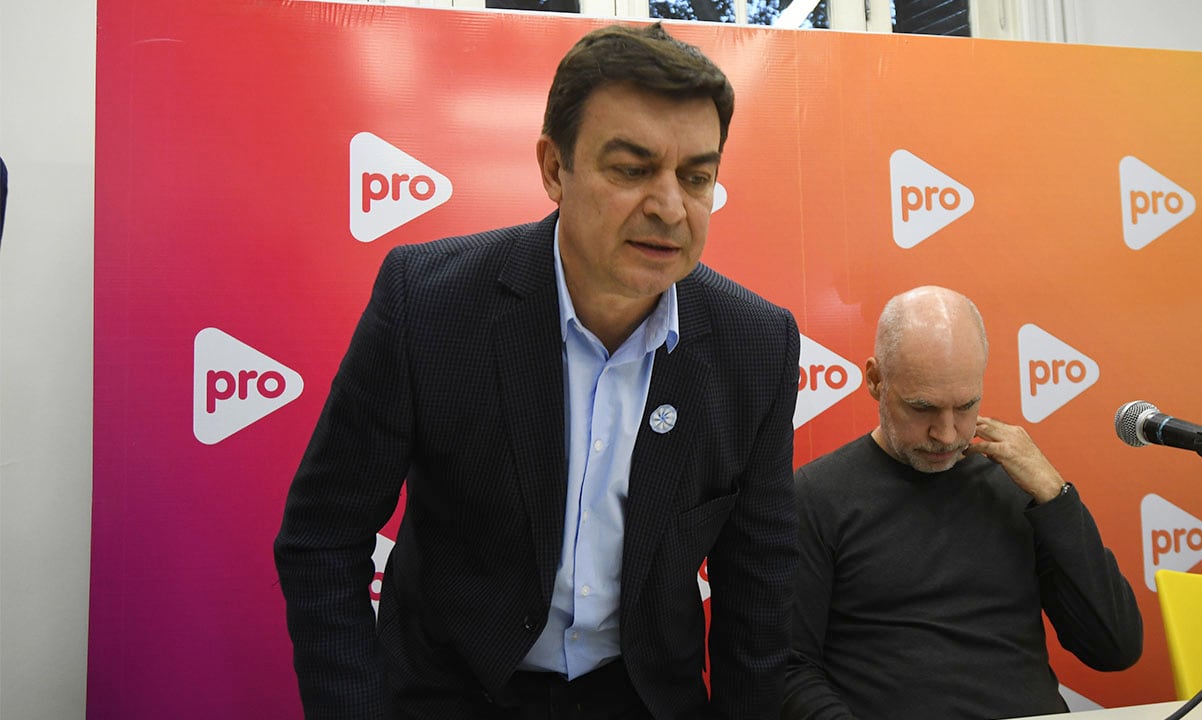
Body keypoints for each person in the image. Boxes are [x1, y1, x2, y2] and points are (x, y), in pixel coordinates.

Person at [274, 22, 801, 720]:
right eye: (632, 168)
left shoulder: (754, 344)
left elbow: (757, 599)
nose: (670, 206)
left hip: (641, 698)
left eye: (696, 176)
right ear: (555, 168)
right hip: (448, 690)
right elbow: (323, 538)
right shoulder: (428, 304)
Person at [782, 286, 1142, 720]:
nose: (948, 434)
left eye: (966, 406)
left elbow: (1115, 648)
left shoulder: (1019, 487)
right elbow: (791, 669)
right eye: (923, 408)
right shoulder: (818, 495)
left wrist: (1055, 496)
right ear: (876, 381)